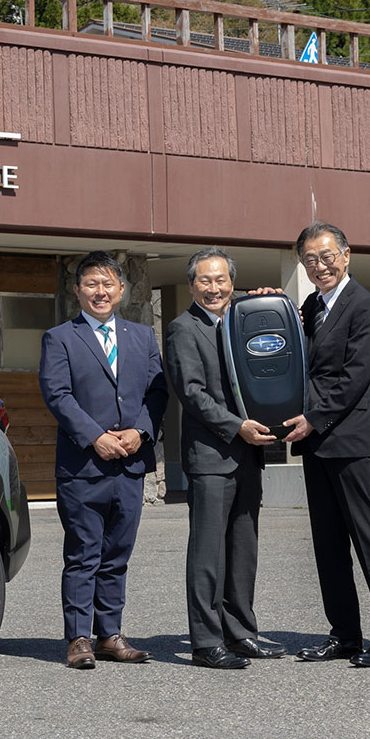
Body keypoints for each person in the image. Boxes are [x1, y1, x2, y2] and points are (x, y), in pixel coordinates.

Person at [278, 222, 370, 668]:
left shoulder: (365, 306)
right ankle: (345, 635)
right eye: (310, 259)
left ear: (347, 255)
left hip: (350, 442)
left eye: (327, 256)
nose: (320, 266)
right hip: (316, 445)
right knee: (328, 545)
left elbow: (356, 377)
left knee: (369, 540)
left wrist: (313, 419)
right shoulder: (310, 306)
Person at [39, 251, 169, 671]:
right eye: (92, 283)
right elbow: (57, 394)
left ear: (121, 289)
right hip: (83, 466)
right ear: (77, 289)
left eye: (108, 283)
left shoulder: (142, 336)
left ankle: (110, 634)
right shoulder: (60, 337)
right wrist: (95, 436)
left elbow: (157, 391)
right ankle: (79, 638)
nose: (100, 291)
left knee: (117, 554)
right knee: (83, 553)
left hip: (129, 463)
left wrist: (140, 432)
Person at [162, 248, 282, 670]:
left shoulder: (242, 321)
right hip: (212, 455)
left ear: (233, 282)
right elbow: (192, 394)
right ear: (192, 284)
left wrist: (269, 302)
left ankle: (241, 633)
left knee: (243, 551)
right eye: (205, 280)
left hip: (249, 454)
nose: (214, 288)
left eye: (221, 280)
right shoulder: (182, 329)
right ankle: (206, 641)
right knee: (208, 553)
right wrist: (237, 426)